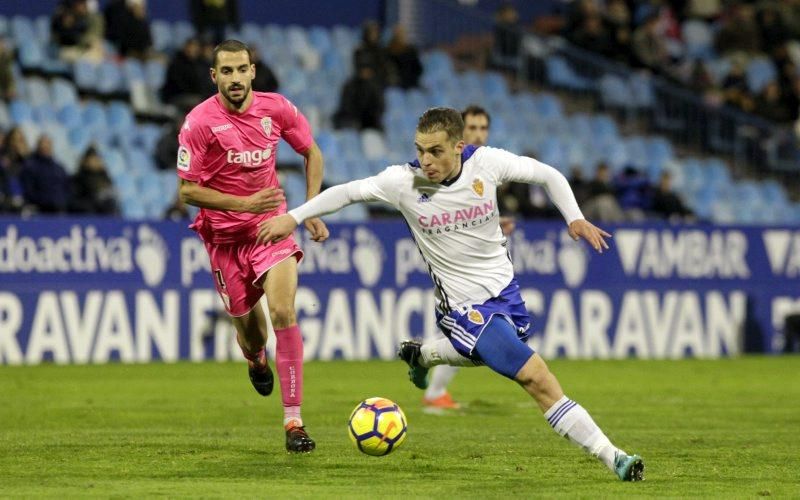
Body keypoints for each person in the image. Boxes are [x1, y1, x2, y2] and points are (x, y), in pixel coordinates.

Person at [257, 107, 644, 481]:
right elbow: (347, 192)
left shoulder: (486, 164)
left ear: (459, 147)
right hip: (462, 307)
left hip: (505, 294)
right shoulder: (403, 182)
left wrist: (573, 216)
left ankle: (422, 354)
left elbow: (547, 174)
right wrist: (294, 217)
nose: (426, 160)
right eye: (420, 150)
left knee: (482, 356)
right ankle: (615, 457)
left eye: (436, 151)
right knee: (536, 377)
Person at [176, 39, 329, 453]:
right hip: (224, 239)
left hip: (270, 227)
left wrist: (309, 208)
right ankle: (256, 358)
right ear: (215, 77)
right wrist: (242, 203)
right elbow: (187, 191)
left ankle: (293, 421)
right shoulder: (198, 123)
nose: (235, 78)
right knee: (252, 332)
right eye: (226, 71)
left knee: (282, 309)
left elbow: (312, 153)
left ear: (252, 71)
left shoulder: (276, 108)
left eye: (241, 69)